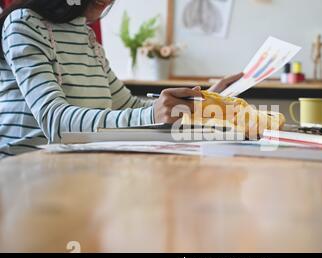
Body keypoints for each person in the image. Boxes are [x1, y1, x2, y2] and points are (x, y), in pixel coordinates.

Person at [0, 0, 242, 158]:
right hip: (25, 173)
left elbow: (129, 106)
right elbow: (54, 120)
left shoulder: (86, 37)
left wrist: (200, 100)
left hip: (74, 169)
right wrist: (152, 114)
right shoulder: (23, 23)